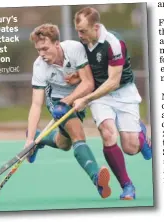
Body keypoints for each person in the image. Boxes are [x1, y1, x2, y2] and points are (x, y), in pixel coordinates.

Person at [63, 7, 152, 200]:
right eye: (77, 30)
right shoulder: (84, 43)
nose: (79, 35)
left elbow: (113, 81)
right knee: (107, 132)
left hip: (122, 91)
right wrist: (77, 77)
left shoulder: (114, 43)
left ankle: (141, 136)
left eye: (83, 31)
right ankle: (127, 186)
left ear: (96, 27)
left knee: (130, 148)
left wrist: (85, 99)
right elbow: (93, 68)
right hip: (100, 95)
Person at [25, 23, 111, 199]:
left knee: (64, 144)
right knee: (78, 135)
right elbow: (36, 104)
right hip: (56, 100)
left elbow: (88, 83)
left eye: (45, 48)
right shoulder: (39, 66)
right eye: (38, 50)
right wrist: (28, 141)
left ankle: (41, 139)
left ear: (57, 43)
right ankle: (97, 179)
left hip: (78, 97)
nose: (42, 54)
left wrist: (69, 101)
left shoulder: (74, 49)